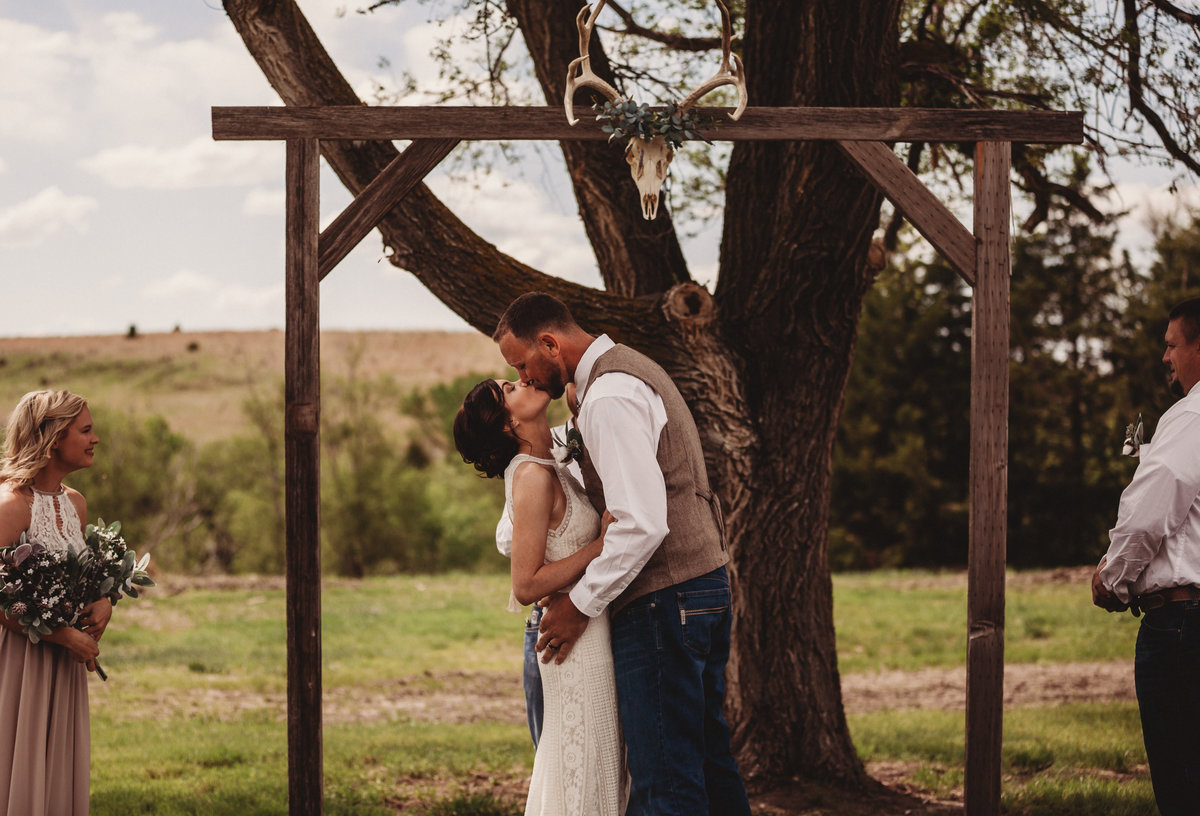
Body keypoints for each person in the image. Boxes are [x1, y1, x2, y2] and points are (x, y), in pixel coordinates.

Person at [493, 292, 751, 816]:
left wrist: (579, 604)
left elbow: (640, 525)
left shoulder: (609, 398)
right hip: (699, 586)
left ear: (550, 343)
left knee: (665, 774)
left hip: (665, 598)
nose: (524, 376)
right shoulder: (609, 386)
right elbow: (537, 482)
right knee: (705, 757)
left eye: (522, 363)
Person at [454, 377, 626, 815]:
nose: (523, 381)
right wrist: (600, 546)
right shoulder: (530, 477)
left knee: (598, 766)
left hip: (595, 631)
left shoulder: (549, 461)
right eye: (509, 388)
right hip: (574, 645)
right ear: (509, 422)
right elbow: (525, 584)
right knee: (581, 770)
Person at [1093, 296, 1200, 816]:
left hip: (1183, 626)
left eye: (1172, 345)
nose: (1166, 358)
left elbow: (1151, 506)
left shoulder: (1191, 416)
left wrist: (1112, 579)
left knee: (1182, 778)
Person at [0, 390, 110, 816]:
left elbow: (78, 579)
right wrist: (63, 635)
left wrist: (104, 601)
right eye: (85, 430)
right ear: (52, 439)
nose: (95, 438)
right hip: (17, 663)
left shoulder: (75, 503)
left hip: (63, 664)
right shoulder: (10, 506)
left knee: (57, 766)